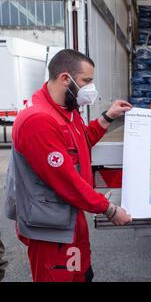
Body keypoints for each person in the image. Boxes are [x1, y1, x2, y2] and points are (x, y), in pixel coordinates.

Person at [4, 49, 133, 282]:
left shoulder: (66, 110)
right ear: (66, 78)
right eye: (86, 81)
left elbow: (81, 142)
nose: (90, 88)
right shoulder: (39, 120)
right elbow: (65, 180)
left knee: (82, 276)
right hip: (49, 229)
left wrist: (107, 117)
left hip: (69, 217)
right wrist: (109, 209)